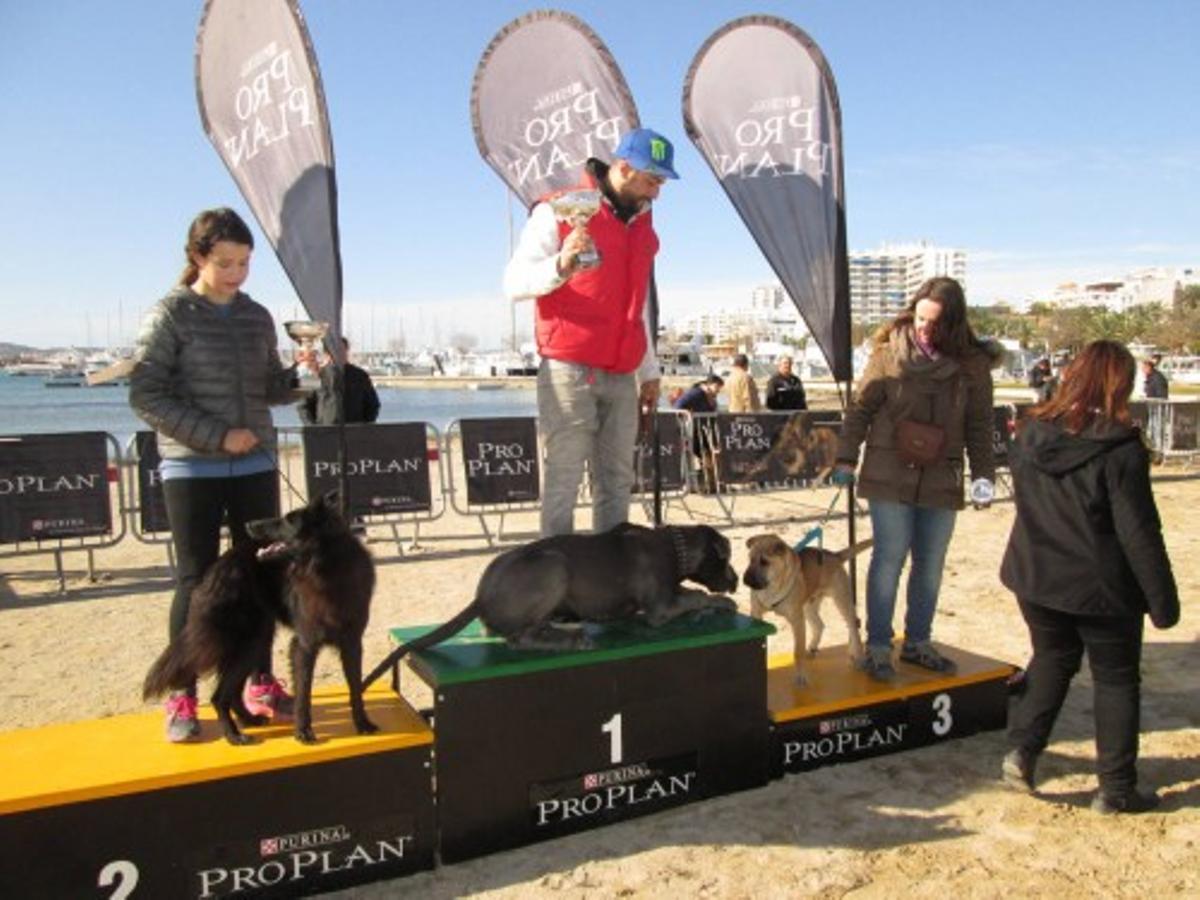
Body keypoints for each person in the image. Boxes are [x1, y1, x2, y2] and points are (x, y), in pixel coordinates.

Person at [129, 207, 309, 742]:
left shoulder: (257, 316)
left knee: (263, 575)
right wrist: (217, 435)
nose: (236, 273)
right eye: (225, 262)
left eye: (245, 263)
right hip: (190, 466)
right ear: (198, 257)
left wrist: (302, 376)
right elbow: (145, 394)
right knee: (196, 579)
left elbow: (269, 388)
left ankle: (260, 683)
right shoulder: (170, 314)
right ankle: (181, 694)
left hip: (255, 461)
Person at [1000, 340, 1179, 814]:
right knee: (1116, 679)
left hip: (1036, 574)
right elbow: (1139, 531)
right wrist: (1163, 601)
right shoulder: (1120, 450)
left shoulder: (1030, 433)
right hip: (1098, 586)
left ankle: (1021, 752)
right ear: (1120, 385)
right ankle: (1116, 789)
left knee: (1052, 659)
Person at [503, 127, 674, 537]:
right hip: (569, 366)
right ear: (624, 168)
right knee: (564, 475)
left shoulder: (642, 224)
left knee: (617, 478)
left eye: (661, 183)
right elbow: (513, 283)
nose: (657, 192)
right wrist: (561, 265)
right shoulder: (557, 210)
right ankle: (555, 567)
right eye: (652, 180)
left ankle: (610, 566)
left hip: (623, 371)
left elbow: (637, 305)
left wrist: (649, 370)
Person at [834, 276, 998, 680]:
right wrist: (846, 457)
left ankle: (918, 642)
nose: (923, 328)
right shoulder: (888, 353)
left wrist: (983, 476)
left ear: (953, 324)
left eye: (934, 322)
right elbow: (860, 409)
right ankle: (877, 646)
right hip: (888, 470)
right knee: (889, 558)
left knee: (930, 562)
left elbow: (980, 424)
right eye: (920, 318)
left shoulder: (972, 365)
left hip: (941, 474)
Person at [298, 336, 381, 425]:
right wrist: (314, 429)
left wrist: (363, 427)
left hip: (354, 430)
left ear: (346, 351)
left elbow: (373, 405)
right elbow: (303, 407)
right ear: (326, 353)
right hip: (325, 430)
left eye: (340, 350)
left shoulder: (360, 376)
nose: (337, 353)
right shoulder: (313, 376)